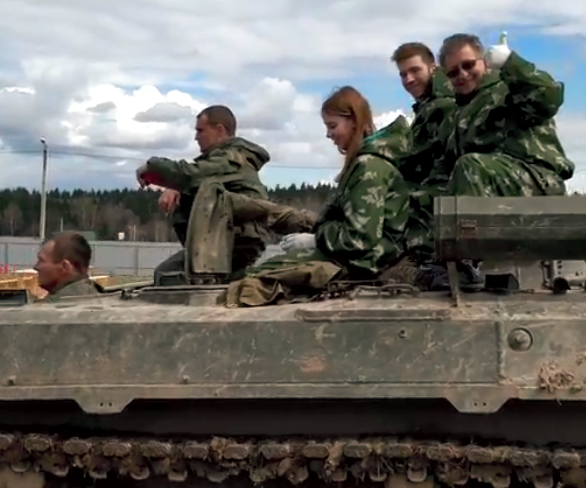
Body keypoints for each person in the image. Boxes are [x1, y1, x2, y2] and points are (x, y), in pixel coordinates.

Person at [226, 86, 411, 307]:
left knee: (256, 282)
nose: (328, 134)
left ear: (354, 121)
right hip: (357, 258)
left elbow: (359, 238)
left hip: (365, 262)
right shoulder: (365, 163)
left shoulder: (370, 167)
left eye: (332, 126)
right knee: (261, 274)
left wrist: (316, 240)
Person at [137, 105, 313, 285]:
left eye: (200, 130)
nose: (196, 137)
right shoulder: (227, 159)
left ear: (220, 130)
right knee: (173, 276)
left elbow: (191, 175)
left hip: (232, 243)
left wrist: (151, 168)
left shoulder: (232, 159)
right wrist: (177, 188)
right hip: (226, 243)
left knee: (169, 276)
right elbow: (200, 180)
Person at [430, 32, 574, 197]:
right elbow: (442, 174)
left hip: (537, 181)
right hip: (482, 187)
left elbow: (548, 96)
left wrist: (510, 62)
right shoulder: (453, 118)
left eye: (468, 65)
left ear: (484, 61)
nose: (462, 74)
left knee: (471, 166)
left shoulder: (508, 90)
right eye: (453, 73)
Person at [390, 42, 456, 267]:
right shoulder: (429, 105)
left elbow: (417, 160)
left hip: (444, 192)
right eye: (403, 74)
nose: (409, 79)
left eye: (415, 70)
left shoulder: (443, 105)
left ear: (432, 68)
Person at [33, 232, 99, 301]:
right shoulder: (95, 297)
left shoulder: (59, 305)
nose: (36, 267)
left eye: (41, 260)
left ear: (65, 267)